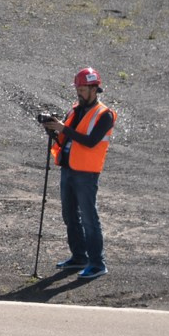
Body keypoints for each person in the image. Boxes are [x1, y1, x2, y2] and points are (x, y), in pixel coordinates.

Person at [37, 67, 115, 278]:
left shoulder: (104, 114)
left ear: (94, 89)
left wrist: (63, 129)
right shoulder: (74, 110)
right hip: (69, 168)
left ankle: (97, 263)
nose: (79, 92)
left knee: (89, 218)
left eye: (82, 88)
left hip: (87, 173)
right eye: (77, 88)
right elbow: (66, 138)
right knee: (69, 215)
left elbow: (90, 141)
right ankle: (79, 256)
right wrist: (52, 128)